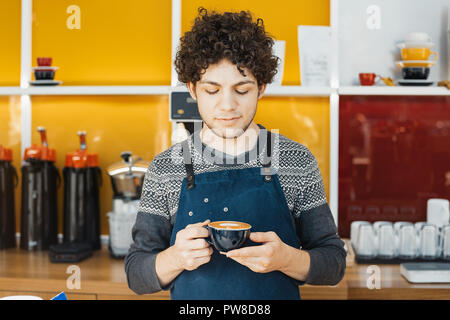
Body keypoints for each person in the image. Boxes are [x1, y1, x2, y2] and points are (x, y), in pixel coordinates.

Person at [125, 7, 346, 300]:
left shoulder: (296, 160)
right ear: (192, 88)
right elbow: (136, 274)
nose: (227, 106)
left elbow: (334, 262)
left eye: (241, 90)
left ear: (262, 87)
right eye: (212, 90)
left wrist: (287, 259)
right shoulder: (167, 167)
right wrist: (176, 257)